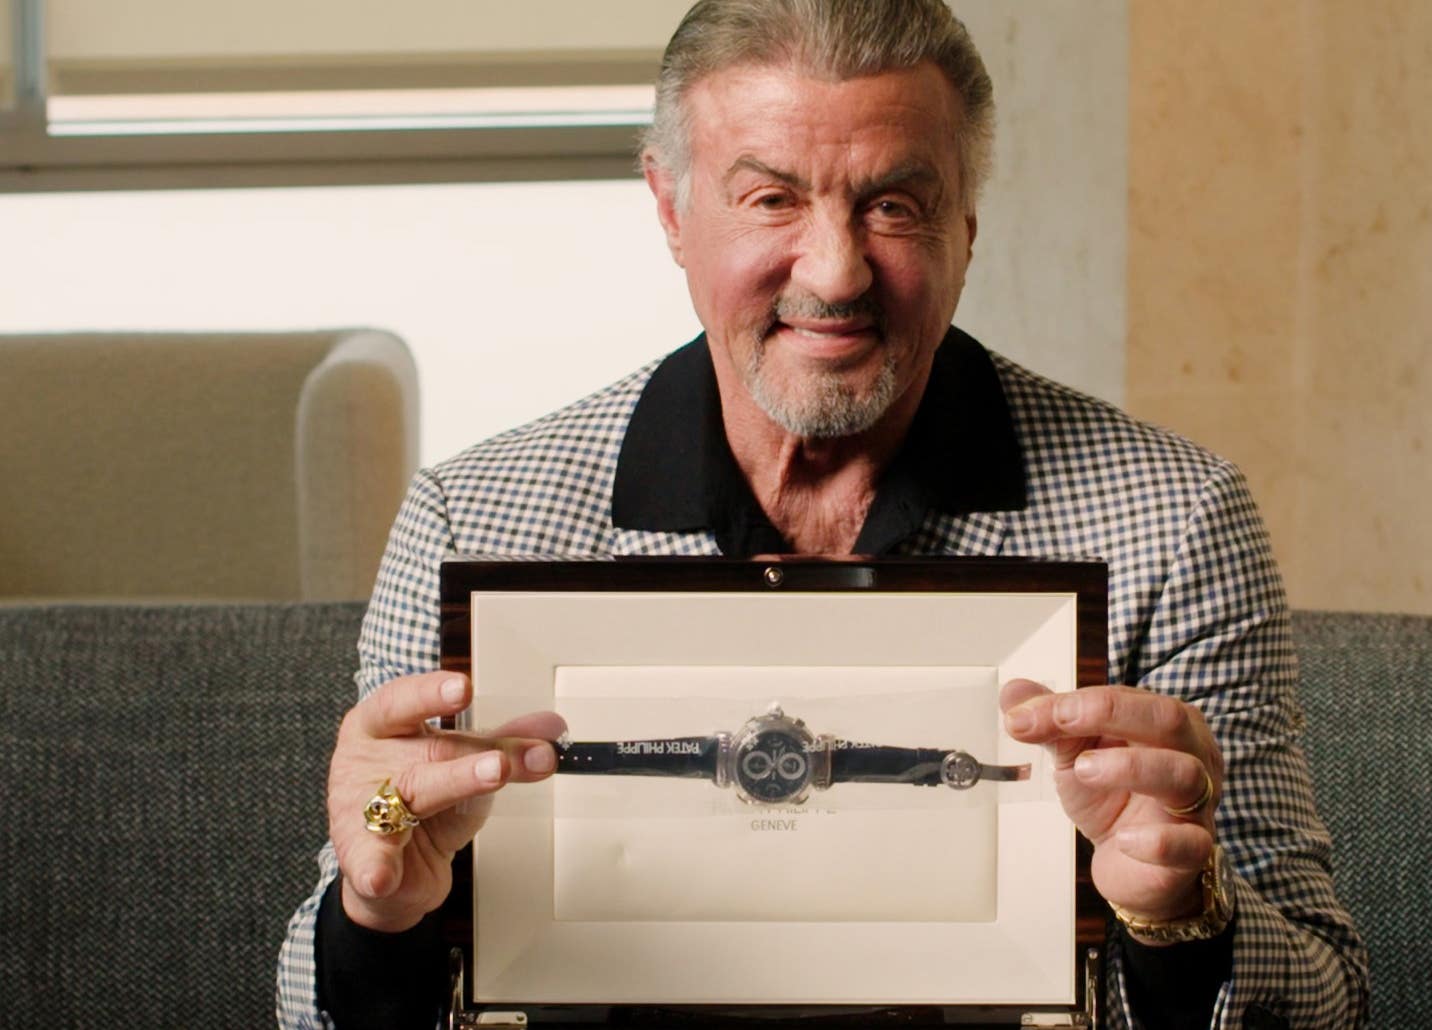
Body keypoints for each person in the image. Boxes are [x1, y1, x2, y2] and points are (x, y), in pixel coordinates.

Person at [278, 1, 1368, 1026]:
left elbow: (1328, 990)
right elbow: (311, 995)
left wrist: (1180, 916)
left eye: (896, 204)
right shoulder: (476, 515)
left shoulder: (1173, 521)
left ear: (969, 224)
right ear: (670, 207)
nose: (838, 271)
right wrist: (377, 903)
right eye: (772, 198)